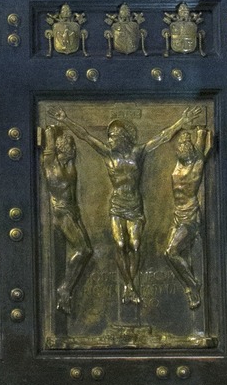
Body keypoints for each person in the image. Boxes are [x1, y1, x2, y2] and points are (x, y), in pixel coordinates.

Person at [51, 107, 201, 305]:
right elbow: (86, 136)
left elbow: (162, 137)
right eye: (109, 136)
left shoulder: (137, 153)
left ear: (122, 136)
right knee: (121, 245)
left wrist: (181, 122)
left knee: (135, 245)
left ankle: (130, 285)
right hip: (117, 205)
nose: (110, 139)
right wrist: (66, 120)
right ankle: (129, 286)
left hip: (134, 205)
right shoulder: (107, 154)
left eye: (113, 136)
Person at [40, 126, 92, 314]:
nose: (75, 149)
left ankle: (66, 290)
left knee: (85, 250)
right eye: (71, 146)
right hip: (61, 213)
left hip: (72, 211)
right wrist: (50, 132)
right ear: (62, 149)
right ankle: (65, 289)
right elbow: (48, 150)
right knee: (84, 249)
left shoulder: (70, 166)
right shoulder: (51, 164)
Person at [164, 127, 212, 309]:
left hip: (189, 217)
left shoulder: (196, 165)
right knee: (170, 254)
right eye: (179, 146)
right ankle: (190, 285)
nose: (180, 149)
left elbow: (201, 149)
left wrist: (201, 133)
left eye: (184, 146)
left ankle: (192, 286)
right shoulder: (180, 164)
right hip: (177, 215)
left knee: (171, 252)